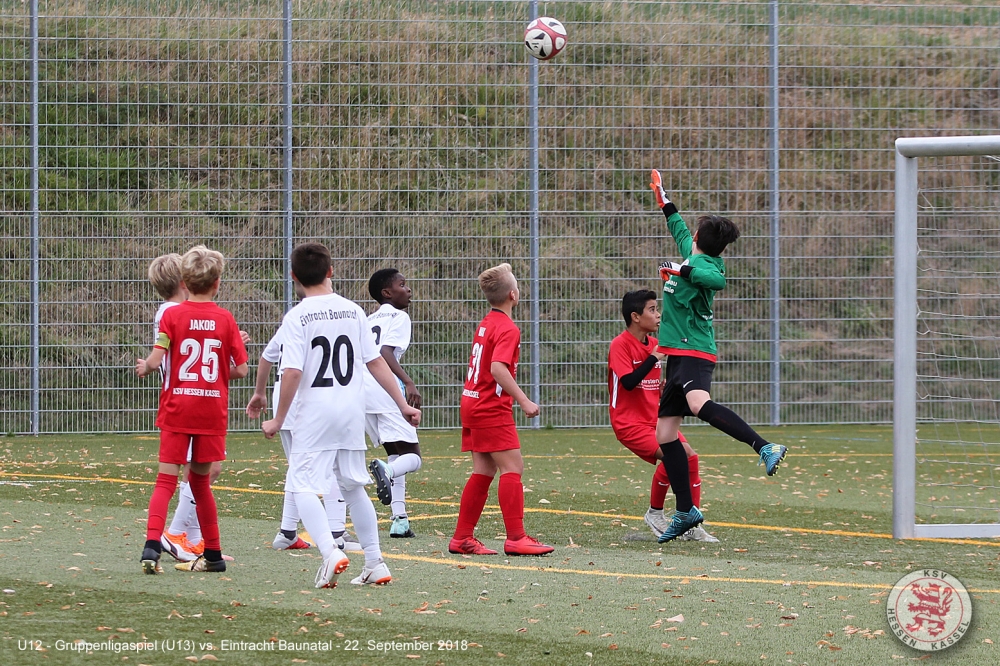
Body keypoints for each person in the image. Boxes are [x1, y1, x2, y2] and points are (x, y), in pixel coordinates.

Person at [261, 242, 420, 588]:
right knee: (353, 486)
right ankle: (375, 562)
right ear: (331, 271)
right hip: (350, 413)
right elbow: (375, 362)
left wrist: (277, 418)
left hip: (314, 413)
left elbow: (291, 372)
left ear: (293, 277)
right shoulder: (353, 311)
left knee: (302, 485)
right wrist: (402, 404)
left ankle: (330, 552)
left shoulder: (297, 316)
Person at [649, 169, 787, 543]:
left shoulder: (705, 266)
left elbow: (717, 281)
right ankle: (685, 510)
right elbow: (677, 227)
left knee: (698, 403)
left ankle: (764, 446)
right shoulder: (691, 251)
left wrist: (683, 270)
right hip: (677, 356)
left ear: (699, 239)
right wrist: (663, 199)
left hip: (696, 351)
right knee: (665, 434)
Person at [136, 245, 249, 574]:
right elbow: (242, 370)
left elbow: (158, 356)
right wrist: (215, 372)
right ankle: (213, 554)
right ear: (217, 283)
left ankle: (152, 546)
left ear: (185, 282)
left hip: (178, 407)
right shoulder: (225, 318)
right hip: (210, 410)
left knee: (165, 480)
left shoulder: (171, 316)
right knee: (201, 483)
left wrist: (146, 366)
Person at [247, 281, 361, 553]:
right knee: (329, 467)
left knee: (299, 469)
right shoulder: (324, 318)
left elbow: (266, 357)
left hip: (285, 399)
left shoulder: (294, 319)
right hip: (305, 402)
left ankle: (287, 532)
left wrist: (260, 392)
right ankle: (336, 533)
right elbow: (293, 370)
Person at [449, 263, 553, 557]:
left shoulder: (486, 322)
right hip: (489, 407)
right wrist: (524, 400)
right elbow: (497, 368)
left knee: (483, 470)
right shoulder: (508, 327)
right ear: (513, 295)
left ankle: (462, 538)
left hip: (471, 401)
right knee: (513, 468)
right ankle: (516, 538)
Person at [608, 289, 718, 542]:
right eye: (652, 310)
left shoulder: (655, 345)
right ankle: (656, 514)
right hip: (629, 423)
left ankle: (691, 523)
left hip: (654, 419)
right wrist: (653, 358)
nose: (658, 315)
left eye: (657, 309)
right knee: (674, 455)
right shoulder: (620, 344)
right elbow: (628, 383)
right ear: (635, 316)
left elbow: (649, 383)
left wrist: (664, 388)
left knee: (690, 457)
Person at [364, 268, 422, 539]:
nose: (408, 289)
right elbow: (385, 352)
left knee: (396, 454)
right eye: (402, 284)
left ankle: (400, 520)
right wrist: (408, 382)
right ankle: (386, 471)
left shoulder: (368, 319)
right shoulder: (399, 317)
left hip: (362, 392)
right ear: (387, 293)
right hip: (384, 390)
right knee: (413, 457)